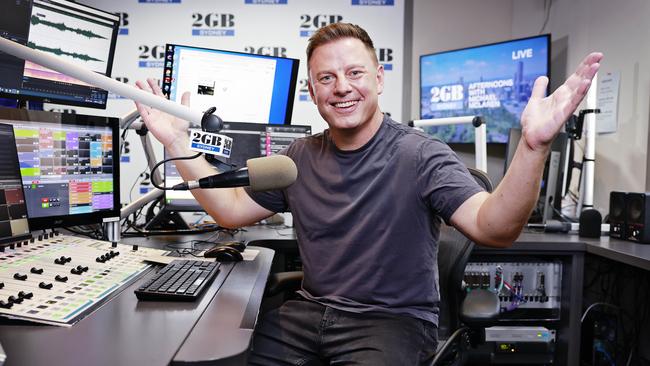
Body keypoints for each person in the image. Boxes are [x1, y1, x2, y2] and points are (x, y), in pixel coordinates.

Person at [135, 23, 602, 366]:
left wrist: (534, 145)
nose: (342, 88)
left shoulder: (421, 155)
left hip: (391, 323)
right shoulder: (298, 156)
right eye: (326, 79)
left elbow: (495, 227)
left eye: (354, 73)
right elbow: (233, 211)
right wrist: (175, 142)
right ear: (312, 92)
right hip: (308, 313)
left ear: (378, 78)